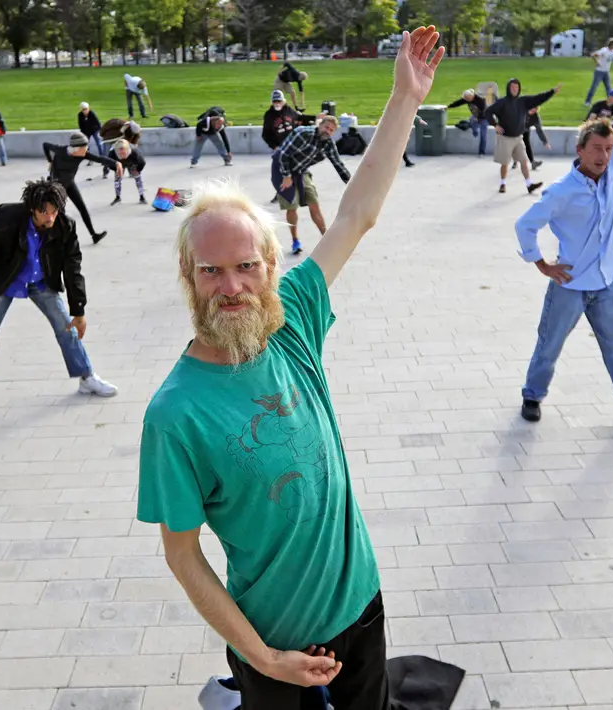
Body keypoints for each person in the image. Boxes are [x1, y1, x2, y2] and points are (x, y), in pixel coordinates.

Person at [136, 26, 444, 709]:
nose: (232, 287)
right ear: (188, 276)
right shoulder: (175, 413)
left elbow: (357, 213)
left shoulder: (294, 318)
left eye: (246, 266)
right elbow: (183, 556)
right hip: (274, 637)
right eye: (211, 271)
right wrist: (261, 658)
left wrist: (403, 98)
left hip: (361, 602)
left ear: (271, 268)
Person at [515, 43, 613, 426]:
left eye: (608, 148)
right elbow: (525, 225)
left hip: (607, 281)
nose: (604, 156)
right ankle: (532, 395)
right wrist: (541, 265)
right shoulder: (561, 191)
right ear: (580, 149)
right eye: (596, 149)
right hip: (570, 283)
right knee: (550, 345)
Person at [0, 178, 118, 408]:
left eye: (54, 211)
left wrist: (78, 309)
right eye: (43, 212)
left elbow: (73, 268)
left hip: (41, 282)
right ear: (32, 209)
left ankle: (87, 378)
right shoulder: (9, 217)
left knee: (66, 327)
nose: (49, 217)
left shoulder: (65, 227)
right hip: (4, 281)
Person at [273, 115, 352, 256]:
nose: (328, 131)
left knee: (314, 203)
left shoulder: (328, 144)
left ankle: (327, 240)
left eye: (331, 130)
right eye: (326, 127)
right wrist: (286, 176)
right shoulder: (303, 133)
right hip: (282, 168)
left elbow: (338, 165)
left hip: (301, 171)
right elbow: (283, 154)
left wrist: (352, 185)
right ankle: (295, 241)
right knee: (292, 206)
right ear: (320, 125)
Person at [484, 78, 560, 194]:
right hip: (505, 138)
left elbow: (538, 98)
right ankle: (502, 184)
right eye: (513, 87)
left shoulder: (523, 101)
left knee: (524, 161)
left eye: (517, 87)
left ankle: (529, 185)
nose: (515, 89)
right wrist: (495, 125)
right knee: (505, 163)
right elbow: (488, 112)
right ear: (509, 88)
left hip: (518, 138)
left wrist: (552, 92)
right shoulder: (502, 102)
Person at [43, 132, 122, 241]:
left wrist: (116, 163)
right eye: (84, 148)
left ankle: (94, 235)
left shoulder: (83, 154)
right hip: (56, 187)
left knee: (82, 208)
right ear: (76, 148)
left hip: (70, 184)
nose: (86, 150)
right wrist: (50, 160)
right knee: (61, 215)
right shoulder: (61, 150)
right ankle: (55, 240)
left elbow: (99, 159)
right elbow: (45, 145)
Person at [448, 88, 491, 157]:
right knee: (472, 121)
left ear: (471, 96)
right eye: (466, 99)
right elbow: (458, 102)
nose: (466, 100)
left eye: (467, 99)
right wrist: (448, 107)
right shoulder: (467, 99)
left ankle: (481, 152)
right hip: (475, 116)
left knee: (483, 135)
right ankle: (475, 131)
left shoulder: (481, 100)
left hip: (485, 118)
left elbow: (484, 111)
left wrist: (478, 117)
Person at [110, 139, 147, 205]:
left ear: (127, 150)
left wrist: (138, 170)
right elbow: (108, 163)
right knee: (117, 180)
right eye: (120, 154)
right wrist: (117, 170)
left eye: (124, 153)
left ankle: (142, 197)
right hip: (119, 164)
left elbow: (142, 162)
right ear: (116, 151)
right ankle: (118, 197)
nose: (122, 156)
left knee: (138, 178)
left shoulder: (134, 152)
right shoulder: (112, 153)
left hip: (131, 162)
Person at [78, 102, 108, 178]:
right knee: (86, 145)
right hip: (86, 131)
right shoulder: (80, 115)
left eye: (86, 109)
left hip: (94, 130)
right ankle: (90, 159)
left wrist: (101, 131)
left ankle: (102, 159)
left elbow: (98, 123)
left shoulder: (92, 114)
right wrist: (83, 134)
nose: (85, 111)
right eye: (83, 109)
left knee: (99, 143)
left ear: (88, 109)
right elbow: (80, 125)